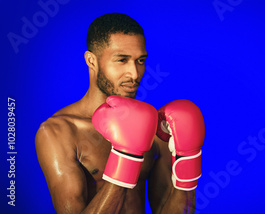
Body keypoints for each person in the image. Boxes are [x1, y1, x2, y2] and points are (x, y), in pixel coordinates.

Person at [35, 13, 204, 213]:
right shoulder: (59, 132)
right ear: (91, 61)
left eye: (140, 60)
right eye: (122, 60)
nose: (134, 73)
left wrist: (187, 171)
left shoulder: (157, 129)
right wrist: (126, 157)